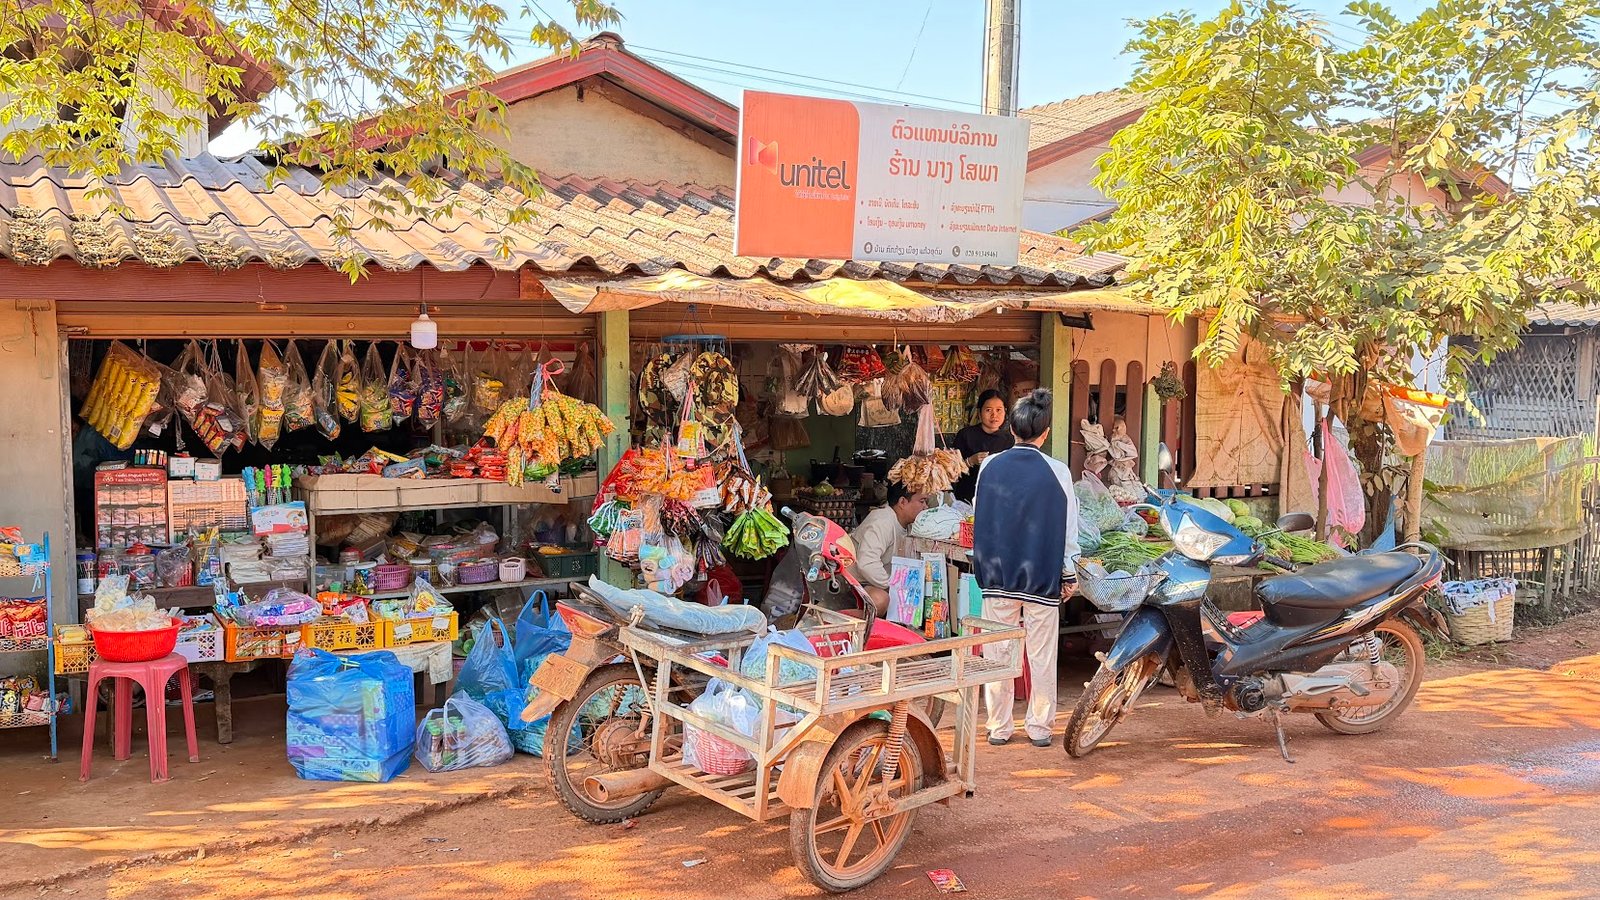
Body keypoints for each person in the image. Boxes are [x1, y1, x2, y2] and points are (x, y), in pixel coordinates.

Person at [971, 388, 1080, 748]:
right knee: (1042, 656)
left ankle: (999, 727)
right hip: (1041, 576)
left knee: (997, 653)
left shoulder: (989, 466)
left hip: (997, 575)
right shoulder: (1059, 472)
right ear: (1045, 433)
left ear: (1013, 430)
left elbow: (980, 516)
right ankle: (1039, 727)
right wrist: (1069, 574)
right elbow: (1068, 531)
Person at [847, 480, 930, 609]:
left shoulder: (909, 526)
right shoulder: (882, 522)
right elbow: (867, 564)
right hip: (852, 583)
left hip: (875, 583)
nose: (926, 507)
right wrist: (893, 586)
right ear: (902, 502)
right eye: (922, 501)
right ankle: (847, 622)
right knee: (880, 600)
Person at [951, 390, 1015, 502]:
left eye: (999, 410)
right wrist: (970, 461)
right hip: (967, 499)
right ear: (980, 413)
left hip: (999, 500)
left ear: (1005, 412)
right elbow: (950, 471)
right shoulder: (966, 435)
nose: (994, 415)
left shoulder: (1010, 439)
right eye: (988, 410)